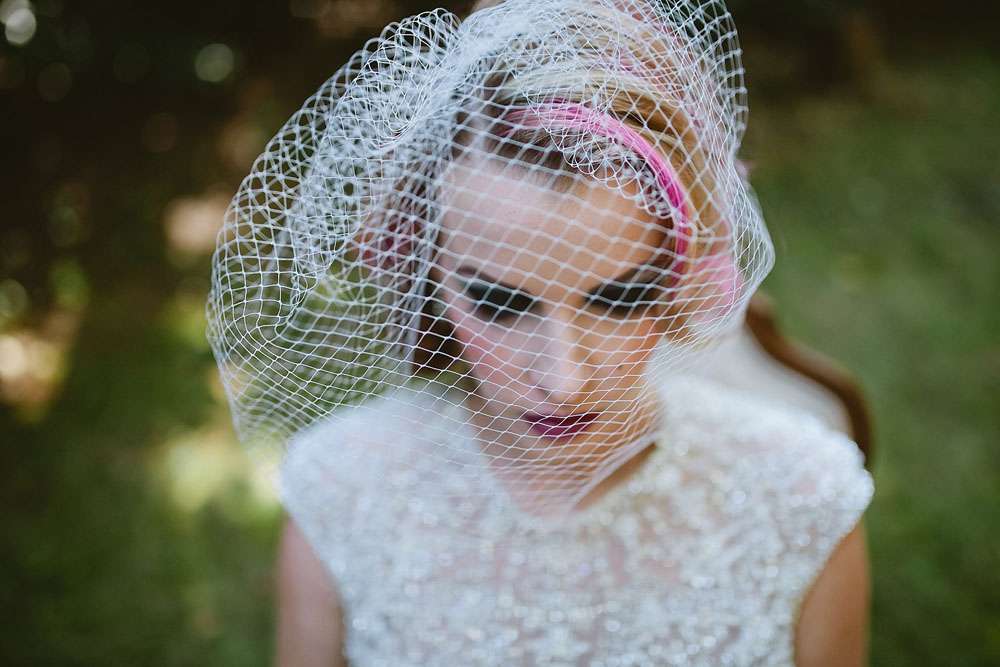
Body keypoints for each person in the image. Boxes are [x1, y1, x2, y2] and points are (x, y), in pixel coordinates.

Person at [206, 0, 875, 665]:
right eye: (499, 302)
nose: (563, 379)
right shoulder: (341, 491)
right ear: (425, 275)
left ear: (683, 272)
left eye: (619, 298)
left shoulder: (801, 500)